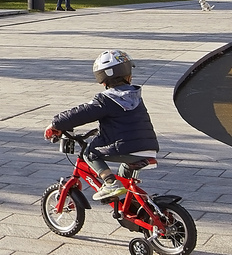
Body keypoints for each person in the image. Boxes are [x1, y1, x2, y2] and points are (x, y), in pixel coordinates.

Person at [46, 49, 158, 202]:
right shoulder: (135, 96)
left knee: (89, 153)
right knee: (125, 171)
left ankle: (110, 183)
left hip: (126, 147)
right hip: (149, 147)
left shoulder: (106, 99)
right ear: (129, 76)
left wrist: (56, 123)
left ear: (103, 80)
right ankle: (129, 204)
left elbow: (81, 113)